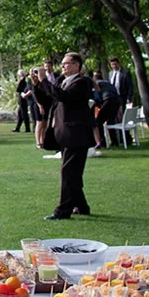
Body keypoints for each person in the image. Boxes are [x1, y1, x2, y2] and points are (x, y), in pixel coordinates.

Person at [35, 52, 95, 220]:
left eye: (66, 63)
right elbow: (50, 98)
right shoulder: (63, 81)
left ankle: (63, 210)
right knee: (72, 172)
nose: (62, 66)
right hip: (65, 134)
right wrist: (37, 84)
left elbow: (64, 97)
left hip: (77, 134)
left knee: (68, 172)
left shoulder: (82, 82)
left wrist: (44, 80)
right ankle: (81, 206)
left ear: (76, 65)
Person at [92, 70, 120, 154]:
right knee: (111, 121)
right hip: (116, 101)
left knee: (98, 121)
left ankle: (102, 142)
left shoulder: (97, 83)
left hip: (108, 100)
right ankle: (114, 142)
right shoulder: (108, 83)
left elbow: (96, 96)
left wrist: (97, 104)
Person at [30, 67, 53, 151]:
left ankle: (43, 141)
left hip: (47, 104)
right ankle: (38, 142)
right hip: (38, 105)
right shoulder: (34, 83)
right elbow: (34, 95)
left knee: (45, 123)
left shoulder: (45, 82)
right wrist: (40, 106)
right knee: (39, 123)